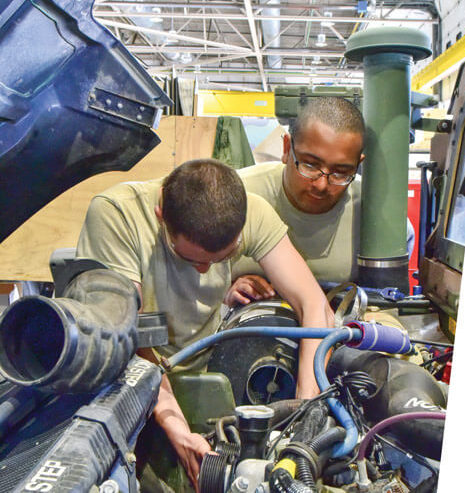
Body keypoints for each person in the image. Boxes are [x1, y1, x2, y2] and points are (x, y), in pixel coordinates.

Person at [76, 159, 334, 488]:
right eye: (192, 259)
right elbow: (128, 340)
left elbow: (314, 306)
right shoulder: (118, 216)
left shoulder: (251, 210)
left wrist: (305, 411)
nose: (204, 271)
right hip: (135, 376)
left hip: (209, 370)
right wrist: (179, 432)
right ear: (160, 217)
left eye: (223, 258)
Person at [227, 96, 412, 306]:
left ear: (357, 164)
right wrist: (224, 290)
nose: (321, 185)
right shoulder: (236, 196)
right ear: (287, 149)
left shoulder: (375, 217)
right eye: (310, 165)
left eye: (341, 173)